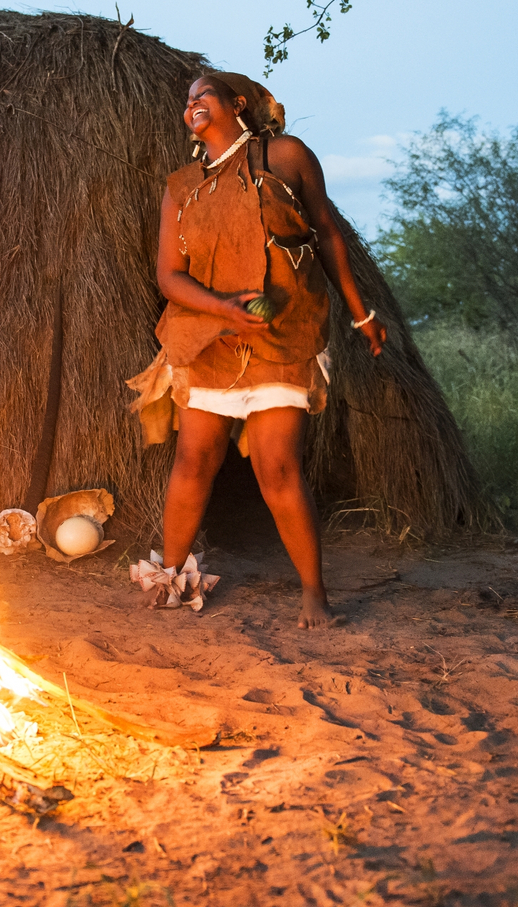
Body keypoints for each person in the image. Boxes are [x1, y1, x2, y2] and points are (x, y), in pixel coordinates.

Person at [127, 73, 387, 629]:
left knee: (278, 468)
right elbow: (170, 276)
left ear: (237, 103)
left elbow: (327, 232)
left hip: (282, 333)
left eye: (203, 95)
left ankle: (314, 593)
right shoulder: (182, 186)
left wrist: (362, 313)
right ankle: (170, 579)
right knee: (193, 461)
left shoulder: (285, 156)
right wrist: (222, 308)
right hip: (209, 338)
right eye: (187, 101)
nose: (192, 104)